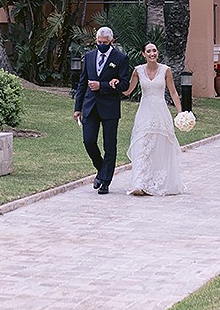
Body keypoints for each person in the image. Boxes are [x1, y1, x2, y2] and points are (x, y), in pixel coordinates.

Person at [121, 42, 185, 196]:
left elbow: (174, 93)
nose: (152, 54)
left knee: (159, 147)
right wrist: (113, 83)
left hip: (160, 113)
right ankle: (139, 183)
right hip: (144, 113)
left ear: (157, 53)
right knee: (143, 146)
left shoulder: (165, 70)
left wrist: (181, 113)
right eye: (148, 51)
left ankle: (158, 182)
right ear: (143, 54)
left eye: (154, 51)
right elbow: (128, 91)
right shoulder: (138, 71)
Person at [74, 26, 132, 194]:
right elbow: (82, 84)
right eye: (99, 42)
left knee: (109, 145)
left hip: (109, 108)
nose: (101, 45)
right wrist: (77, 108)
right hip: (90, 106)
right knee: (88, 140)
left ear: (111, 41)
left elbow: (124, 85)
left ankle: (106, 181)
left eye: (105, 43)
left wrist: (103, 86)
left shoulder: (120, 58)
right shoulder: (89, 57)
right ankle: (101, 169)